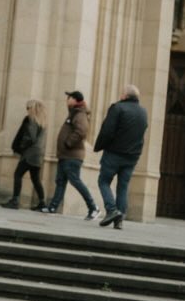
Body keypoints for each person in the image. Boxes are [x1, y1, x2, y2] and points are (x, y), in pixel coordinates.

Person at [94, 84, 148, 228]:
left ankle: (112, 210)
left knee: (103, 181)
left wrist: (98, 146)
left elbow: (107, 131)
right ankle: (119, 220)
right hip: (132, 156)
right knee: (123, 186)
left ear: (125, 96)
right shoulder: (143, 112)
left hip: (114, 153)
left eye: (121, 93)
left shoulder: (117, 108)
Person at [40, 91, 99, 219]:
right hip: (65, 155)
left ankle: (93, 207)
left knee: (75, 181)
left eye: (69, 98)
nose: (67, 100)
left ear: (75, 100)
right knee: (60, 181)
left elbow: (81, 131)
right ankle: (53, 207)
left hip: (72, 155)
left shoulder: (79, 114)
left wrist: (68, 143)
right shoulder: (73, 113)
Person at [2, 100, 47, 209]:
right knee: (35, 179)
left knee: (18, 174)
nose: (26, 110)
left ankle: (15, 200)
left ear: (32, 109)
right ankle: (42, 202)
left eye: (28, 108)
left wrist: (21, 148)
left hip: (29, 154)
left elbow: (30, 137)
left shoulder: (31, 120)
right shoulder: (43, 122)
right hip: (38, 154)